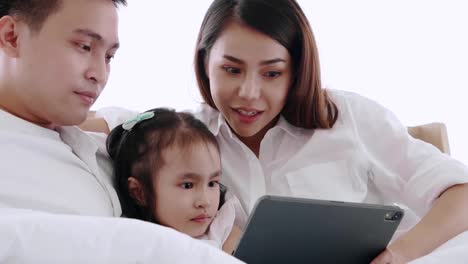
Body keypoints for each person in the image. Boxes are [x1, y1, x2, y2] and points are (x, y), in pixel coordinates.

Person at [89, 0, 468, 263]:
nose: (249, 94)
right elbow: (117, 121)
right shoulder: (186, 141)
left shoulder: (348, 117)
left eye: (272, 73)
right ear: (206, 64)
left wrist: (401, 254)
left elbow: (461, 192)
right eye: (232, 70)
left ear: (297, 70)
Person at [0, 0, 244, 263]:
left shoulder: (118, 141)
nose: (100, 74)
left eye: (109, 56)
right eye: (84, 47)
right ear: (12, 37)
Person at [107, 107, 243, 253]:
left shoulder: (223, 227)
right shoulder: (136, 243)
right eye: (188, 185)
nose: (205, 201)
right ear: (140, 192)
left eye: (212, 183)